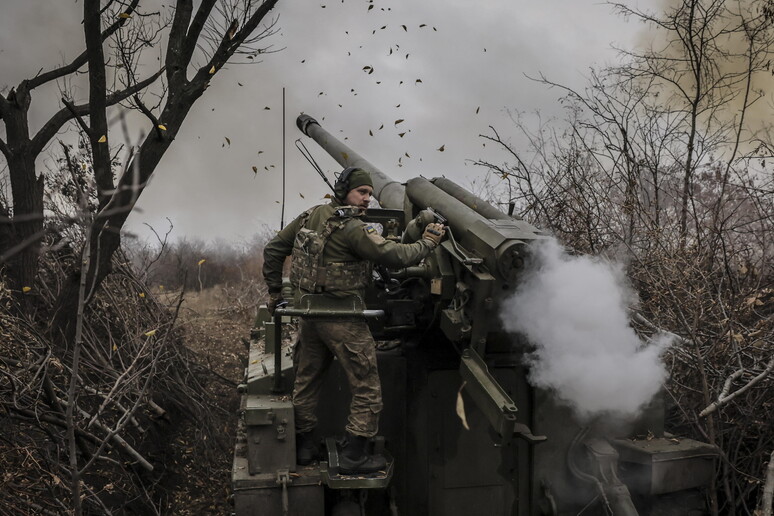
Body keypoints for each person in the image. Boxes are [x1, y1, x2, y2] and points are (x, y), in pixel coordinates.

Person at [261, 166, 444, 475]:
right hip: (343, 318)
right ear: (344, 189)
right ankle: (355, 454)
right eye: (362, 192)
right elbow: (395, 256)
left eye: (370, 194)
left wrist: (275, 290)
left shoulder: (310, 216)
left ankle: (304, 447)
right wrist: (428, 242)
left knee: (307, 381)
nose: (367, 200)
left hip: (309, 316)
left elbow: (274, 249)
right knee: (367, 386)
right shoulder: (353, 229)